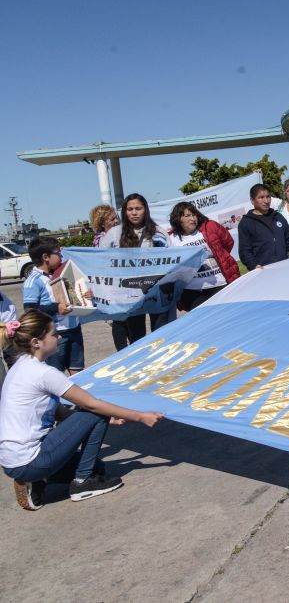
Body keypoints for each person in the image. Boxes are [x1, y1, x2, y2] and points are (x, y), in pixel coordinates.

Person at [0, 310, 164, 511]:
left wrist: (106, 420)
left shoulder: (20, 367)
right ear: (36, 342)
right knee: (97, 411)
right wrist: (140, 416)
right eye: (54, 334)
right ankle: (82, 483)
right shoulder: (43, 373)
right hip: (31, 459)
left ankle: (37, 480)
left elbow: (59, 413)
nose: (59, 337)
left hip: (12, 462)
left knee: (99, 466)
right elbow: (92, 404)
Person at [96, 193, 172, 346]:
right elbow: (100, 261)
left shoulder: (158, 232)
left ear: (145, 210)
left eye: (138, 208)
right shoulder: (114, 233)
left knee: (161, 337)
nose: (134, 212)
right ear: (124, 211)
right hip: (129, 294)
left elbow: (171, 259)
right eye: (130, 209)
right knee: (138, 340)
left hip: (156, 292)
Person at [21, 237, 84, 376]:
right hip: (55, 335)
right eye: (58, 253)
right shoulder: (33, 281)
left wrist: (85, 296)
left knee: (79, 373)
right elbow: (30, 310)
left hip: (74, 329)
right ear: (46, 257)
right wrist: (56, 308)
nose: (61, 257)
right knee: (55, 375)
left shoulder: (61, 274)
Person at [167, 201, 240, 311]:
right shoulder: (171, 239)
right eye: (187, 216)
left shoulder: (209, 227)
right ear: (178, 218)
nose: (193, 218)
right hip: (192, 290)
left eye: (194, 214)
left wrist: (219, 256)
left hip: (219, 283)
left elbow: (228, 243)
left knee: (227, 315)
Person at [238, 184, 289, 270]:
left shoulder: (279, 217)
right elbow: (245, 251)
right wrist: (253, 265)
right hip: (263, 272)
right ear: (252, 200)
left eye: (268, 197)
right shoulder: (246, 223)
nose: (266, 201)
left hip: (284, 268)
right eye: (261, 197)